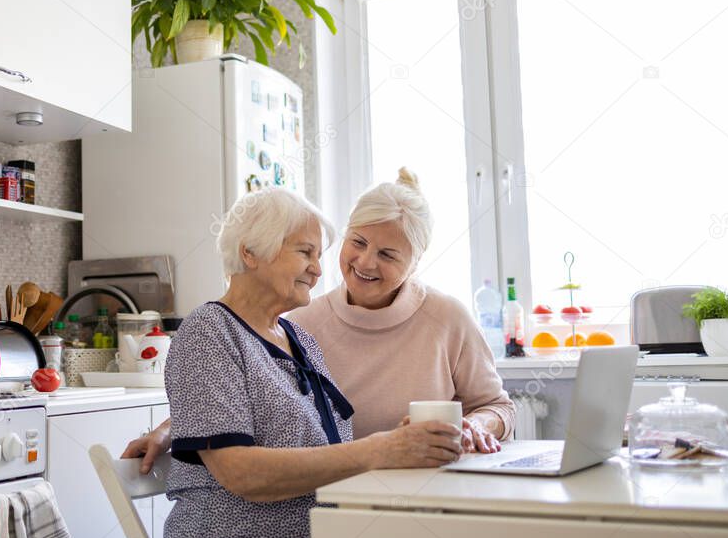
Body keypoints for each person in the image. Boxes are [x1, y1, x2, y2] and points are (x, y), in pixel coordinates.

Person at [126, 168, 513, 473]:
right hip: (342, 500)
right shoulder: (299, 324)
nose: (365, 263)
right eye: (358, 243)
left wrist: (477, 426)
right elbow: (230, 402)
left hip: (414, 491)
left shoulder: (446, 319)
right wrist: (170, 429)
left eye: (388, 255)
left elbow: (498, 406)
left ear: (414, 263)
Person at [160, 187, 461, 538]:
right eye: (305, 252)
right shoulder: (209, 331)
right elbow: (240, 471)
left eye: (319, 255)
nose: (319, 270)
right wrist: (380, 449)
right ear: (250, 251)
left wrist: (403, 445)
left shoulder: (299, 340)